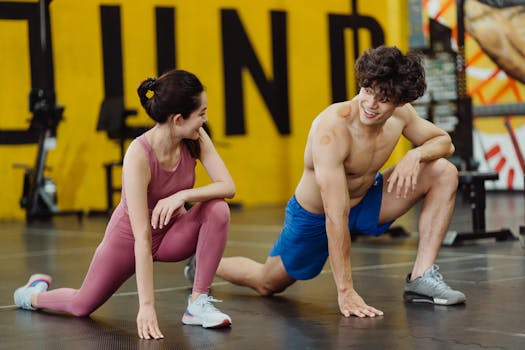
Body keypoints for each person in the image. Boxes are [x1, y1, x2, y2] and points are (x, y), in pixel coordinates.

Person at [188, 45, 466, 318]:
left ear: (400, 101)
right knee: (266, 282)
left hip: (368, 197)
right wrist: (345, 291)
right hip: (317, 215)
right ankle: (202, 263)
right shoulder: (332, 129)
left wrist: (416, 154)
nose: (370, 104)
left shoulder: (402, 115)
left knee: (443, 171)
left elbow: (444, 143)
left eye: (382, 99)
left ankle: (421, 277)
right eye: (367, 91)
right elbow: (336, 215)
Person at [14, 69, 236, 338]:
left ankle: (197, 304)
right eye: (201, 113)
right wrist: (146, 306)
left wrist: (182, 196)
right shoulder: (139, 156)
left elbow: (228, 187)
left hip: (170, 235)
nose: (205, 119)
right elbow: (141, 238)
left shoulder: (196, 138)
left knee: (218, 208)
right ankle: (32, 294)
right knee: (81, 305)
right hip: (128, 238)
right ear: (178, 120)